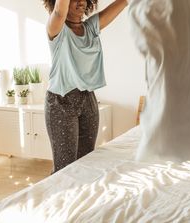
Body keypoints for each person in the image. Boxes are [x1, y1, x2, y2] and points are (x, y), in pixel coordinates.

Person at [42, 0, 127, 173]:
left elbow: (123, 2)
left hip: (88, 99)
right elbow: (59, 11)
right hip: (61, 102)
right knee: (65, 167)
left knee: (86, 161)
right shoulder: (56, 28)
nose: (81, 1)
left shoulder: (91, 28)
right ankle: (60, 198)